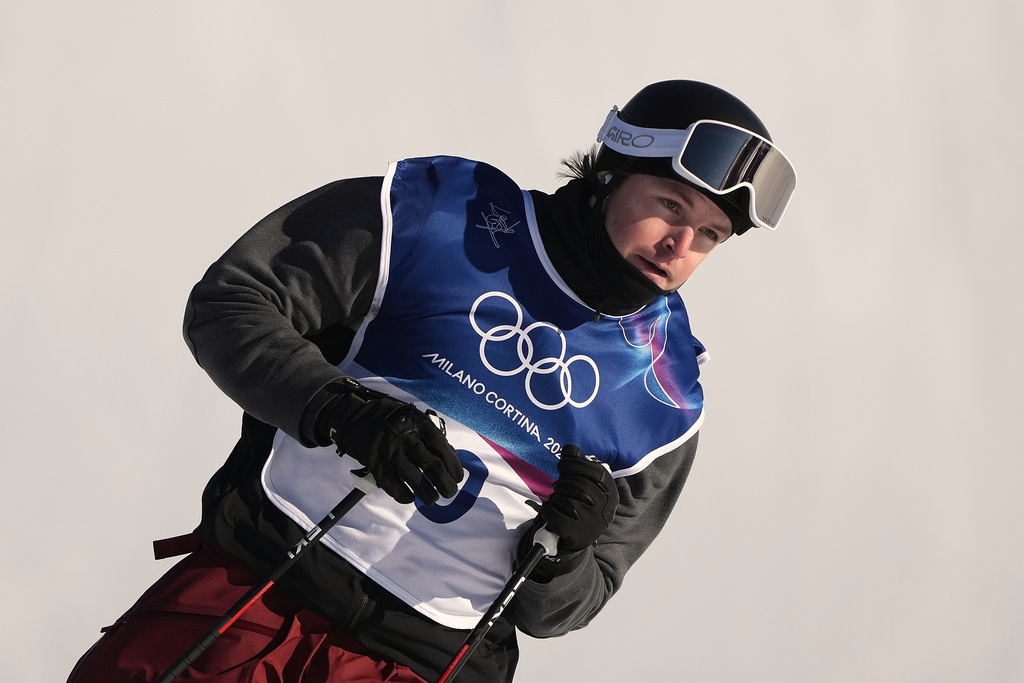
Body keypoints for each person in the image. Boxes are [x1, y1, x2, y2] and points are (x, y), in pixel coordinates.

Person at [67, 79, 797, 683]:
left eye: (710, 235)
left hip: (421, 667)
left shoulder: (666, 395)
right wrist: (341, 410)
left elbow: (572, 604)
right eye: (671, 206)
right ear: (608, 171)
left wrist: (566, 556)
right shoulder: (445, 216)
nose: (680, 245)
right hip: (250, 605)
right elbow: (231, 302)